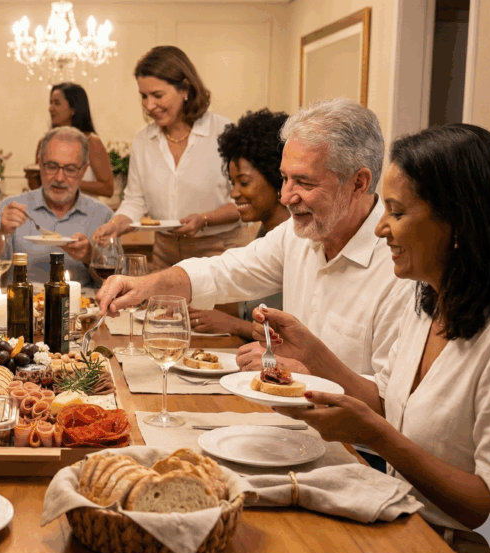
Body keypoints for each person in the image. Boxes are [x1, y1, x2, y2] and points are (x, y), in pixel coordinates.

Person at [252, 124, 490, 553]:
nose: (381, 227)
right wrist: (311, 353)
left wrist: (379, 438)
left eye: (397, 213)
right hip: (402, 531)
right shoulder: (428, 302)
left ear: (458, 222)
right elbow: (386, 403)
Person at [97, 97, 412, 379]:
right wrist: (145, 286)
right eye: (285, 178)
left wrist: (304, 372)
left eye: (303, 182)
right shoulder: (298, 234)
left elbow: (390, 402)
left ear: (358, 184)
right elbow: (223, 272)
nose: (286, 196)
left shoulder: (401, 270)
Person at [92, 46, 241, 270]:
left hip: (219, 251)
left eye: (157, 95)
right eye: (144, 96)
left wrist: (204, 219)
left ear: (185, 89)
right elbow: (135, 202)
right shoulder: (143, 140)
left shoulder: (224, 132)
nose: (149, 105)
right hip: (165, 253)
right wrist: (115, 225)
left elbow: (244, 202)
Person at [187, 109, 290, 339]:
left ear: (276, 178)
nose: (234, 193)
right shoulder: (267, 229)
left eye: (243, 182)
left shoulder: (295, 237)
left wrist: (232, 325)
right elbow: (251, 304)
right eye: (233, 183)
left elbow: (289, 333)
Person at [0, 127, 113, 286]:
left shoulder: (102, 215)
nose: (59, 178)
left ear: (84, 170)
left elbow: (118, 283)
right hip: (21, 305)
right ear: (39, 164)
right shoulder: (11, 207)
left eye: (70, 169)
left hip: (81, 307)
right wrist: (2, 233)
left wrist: (90, 257)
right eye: (51, 166)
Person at [31, 82, 113, 199]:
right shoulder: (44, 142)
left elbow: (108, 189)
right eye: (50, 103)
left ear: (73, 108)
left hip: (86, 214)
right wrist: (32, 179)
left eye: (57, 103)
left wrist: (67, 181)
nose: (50, 109)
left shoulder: (92, 142)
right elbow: (39, 189)